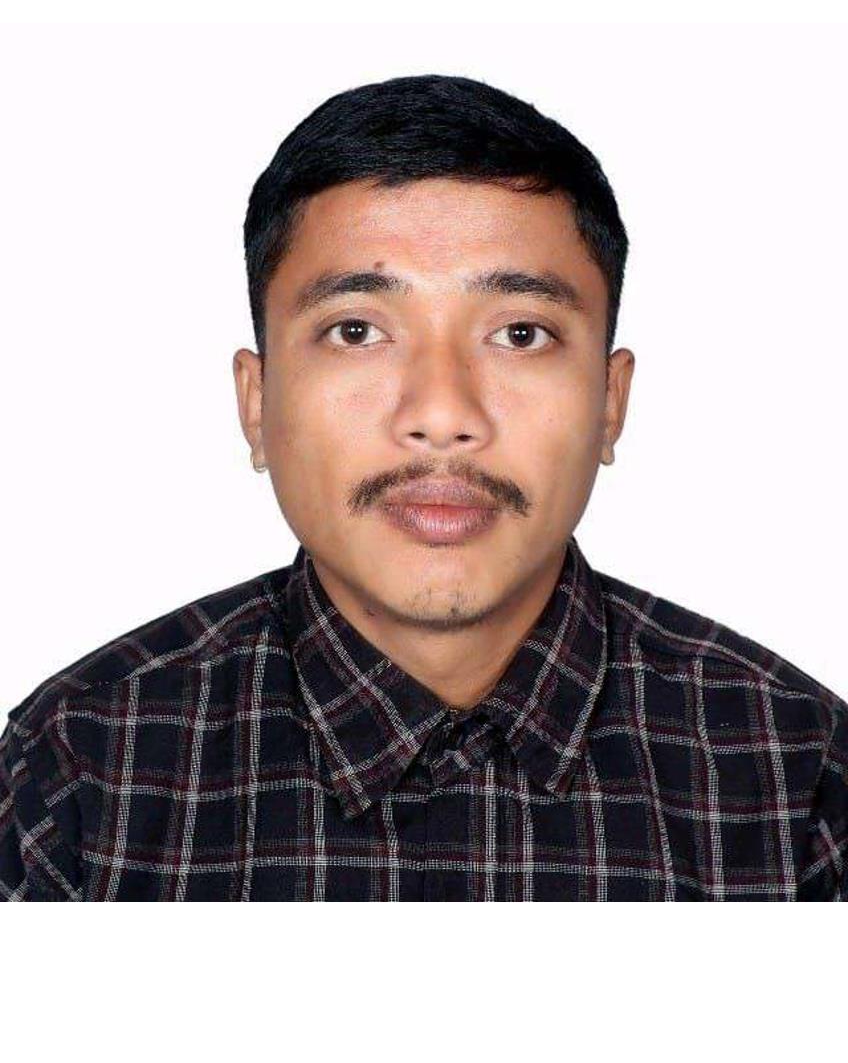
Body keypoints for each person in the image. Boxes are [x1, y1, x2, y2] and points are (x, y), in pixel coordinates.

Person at [2, 73, 845, 901]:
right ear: (256, 404)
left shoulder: (798, 771)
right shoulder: (77, 770)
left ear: (609, 403)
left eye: (521, 334)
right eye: (356, 330)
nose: (442, 416)